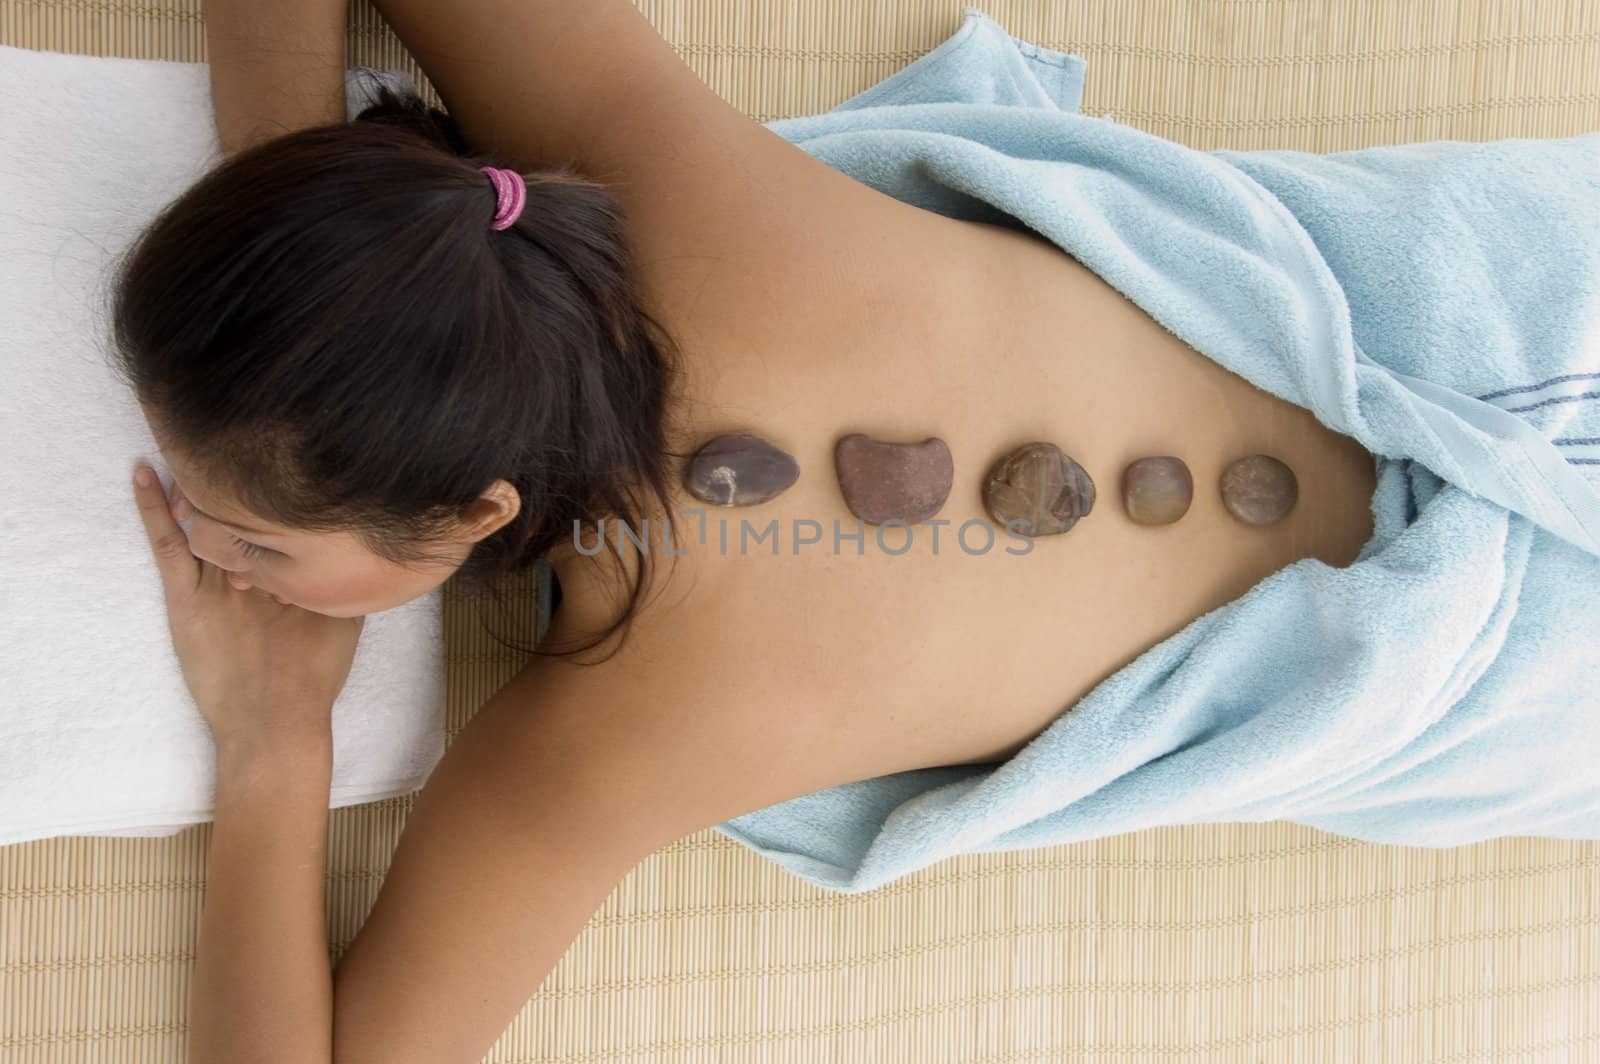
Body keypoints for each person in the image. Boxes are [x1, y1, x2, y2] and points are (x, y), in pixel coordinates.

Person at [118, 0, 1380, 1060]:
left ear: (476, 514)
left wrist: (274, 747)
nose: (214, 556)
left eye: (255, 544)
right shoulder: (651, 164)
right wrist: (314, 239)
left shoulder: (612, 740)